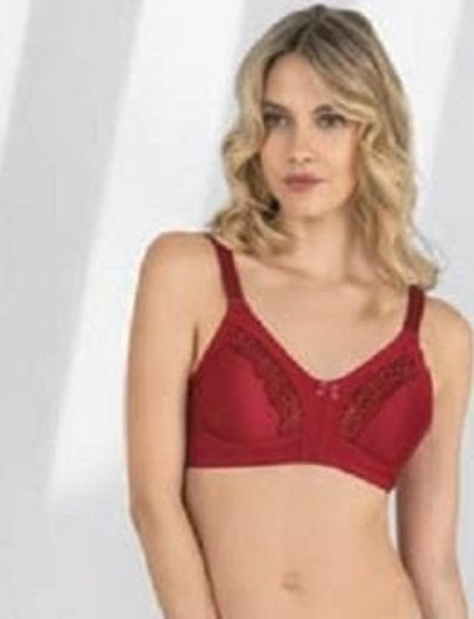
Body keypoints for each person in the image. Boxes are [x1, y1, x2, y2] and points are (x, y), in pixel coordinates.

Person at [125, 4, 472, 618]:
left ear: (374, 132)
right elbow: (154, 504)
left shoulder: (438, 337)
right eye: (276, 119)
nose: (298, 149)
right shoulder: (189, 274)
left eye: (330, 119)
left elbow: (433, 563)